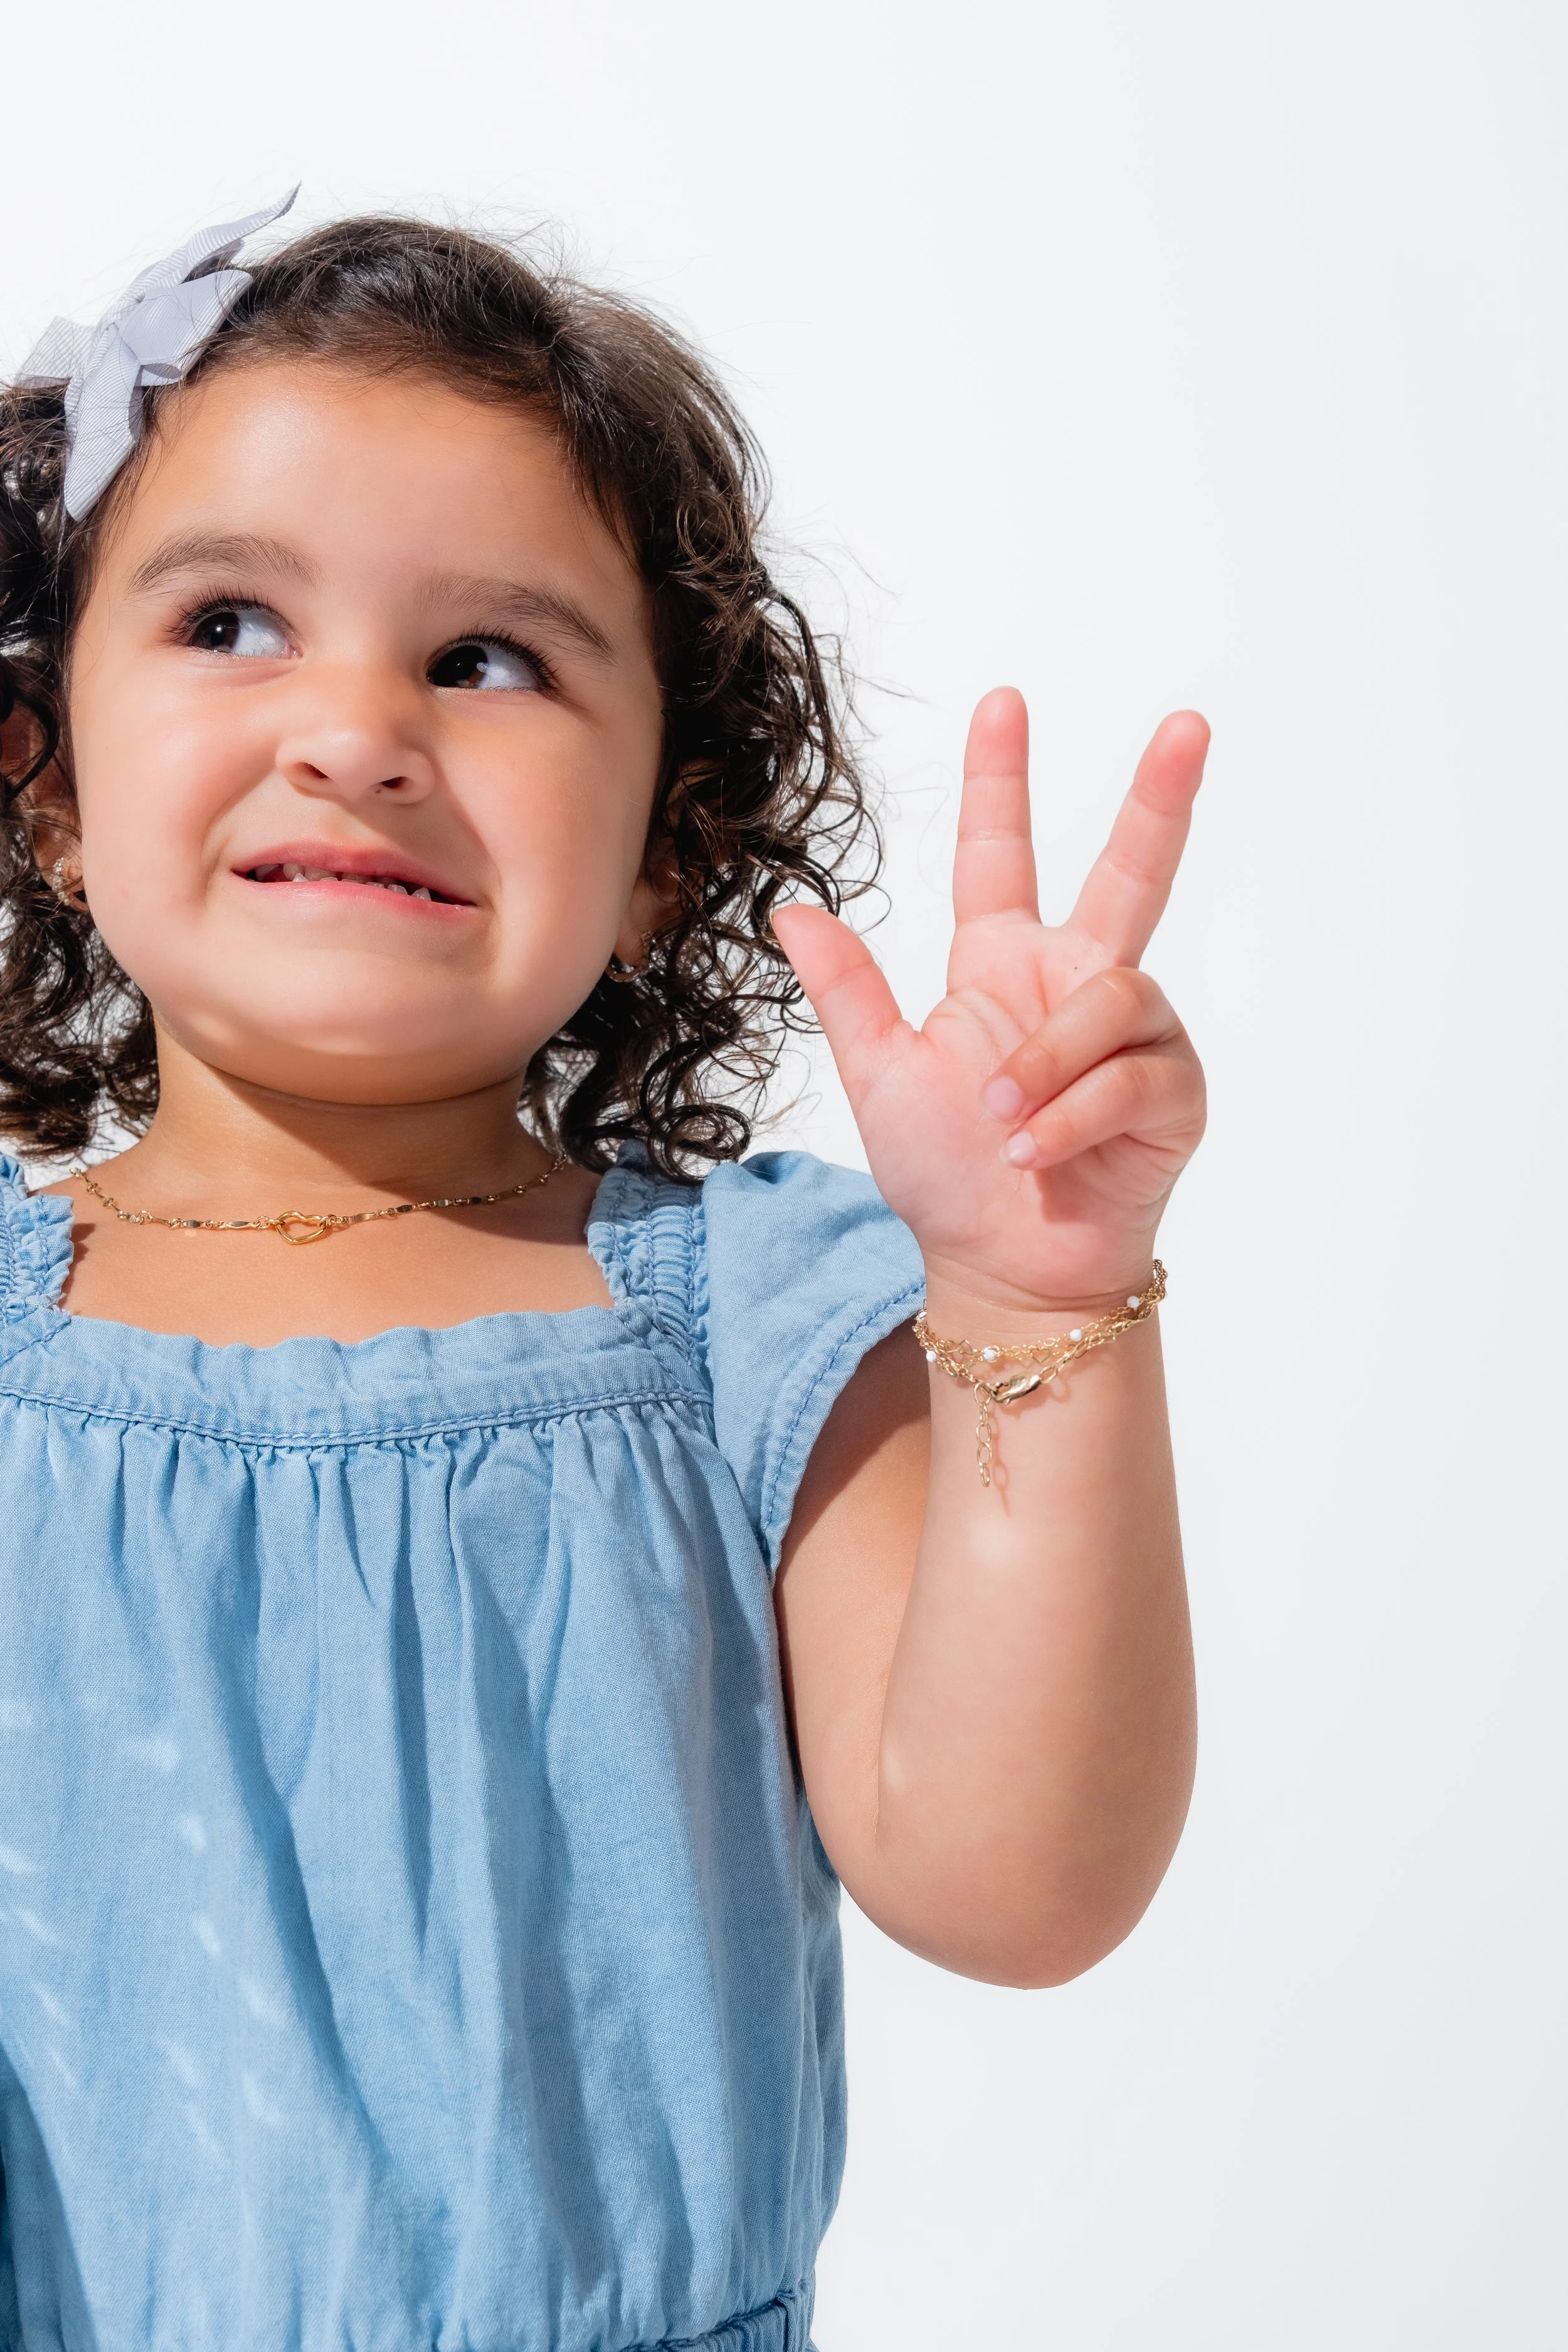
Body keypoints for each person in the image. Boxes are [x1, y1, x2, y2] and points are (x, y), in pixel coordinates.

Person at [0, 195, 1208, 2352]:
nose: (354, 727)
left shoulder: (742, 1321)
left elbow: (1013, 1883)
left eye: (488, 660)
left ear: (668, 843)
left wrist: (1032, 1305)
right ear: (52, 789)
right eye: (230, 627)